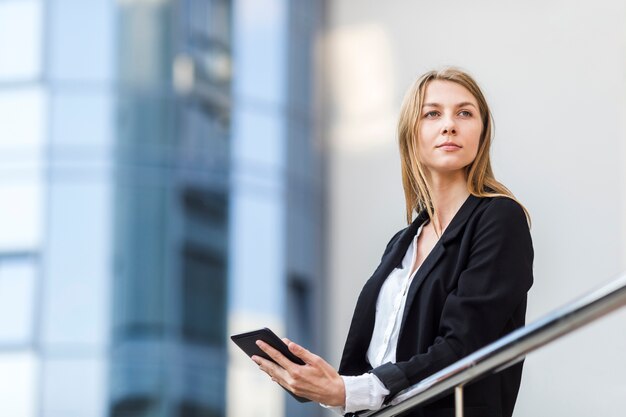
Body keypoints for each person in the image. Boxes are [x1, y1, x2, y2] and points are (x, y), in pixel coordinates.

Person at [252, 67, 534, 417]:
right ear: (411, 134)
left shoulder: (499, 218)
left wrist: (351, 390)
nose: (449, 124)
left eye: (465, 112)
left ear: (482, 132)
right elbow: (374, 358)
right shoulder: (402, 242)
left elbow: (464, 344)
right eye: (432, 113)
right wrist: (330, 387)